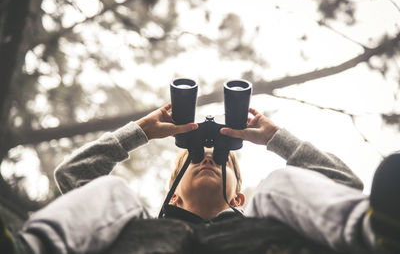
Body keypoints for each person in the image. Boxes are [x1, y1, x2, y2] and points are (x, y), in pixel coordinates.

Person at [1, 104, 399, 254]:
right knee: (114, 191)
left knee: (280, 183)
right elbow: (74, 176)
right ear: (172, 196)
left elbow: (342, 184)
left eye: (221, 162)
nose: (208, 160)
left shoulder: (269, 213)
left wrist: (275, 140)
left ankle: (377, 237)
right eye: (194, 160)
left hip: (257, 242)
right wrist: (142, 130)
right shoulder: (133, 225)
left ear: (238, 197)